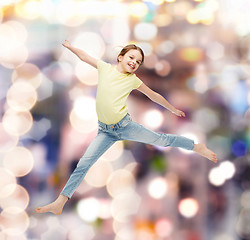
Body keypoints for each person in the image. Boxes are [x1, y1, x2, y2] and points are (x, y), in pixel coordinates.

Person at [35, 40, 217, 215]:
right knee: (84, 164)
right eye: (131, 58)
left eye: (138, 61)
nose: (134, 63)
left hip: (124, 126)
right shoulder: (105, 69)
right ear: (120, 57)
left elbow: (153, 95)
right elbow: (85, 58)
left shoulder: (133, 81)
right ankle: (60, 201)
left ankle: (196, 146)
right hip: (106, 130)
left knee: (161, 139)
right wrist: (71, 47)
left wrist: (172, 108)